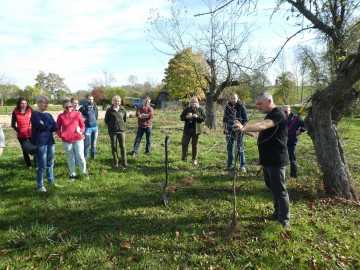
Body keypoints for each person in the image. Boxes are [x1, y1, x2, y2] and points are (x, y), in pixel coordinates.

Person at [233, 92, 290, 228]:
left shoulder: (278, 114)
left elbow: (263, 125)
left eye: (260, 104)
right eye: (257, 104)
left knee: (280, 190)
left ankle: (284, 219)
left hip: (277, 159)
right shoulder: (271, 114)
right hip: (268, 160)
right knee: (273, 187)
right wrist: (243, 129)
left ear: (269, 101)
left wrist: (244, 128)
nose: (257, 106)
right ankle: (277, 213)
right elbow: (262, 126)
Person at [30, 96, 58, 192]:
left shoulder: (49, 115)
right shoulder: (35, 115)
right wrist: (48, 125)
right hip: (40, 143)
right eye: (43, 102)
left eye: (47, 103)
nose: (45, 104)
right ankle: (40, 185)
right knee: (41, 165)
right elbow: (40, 126)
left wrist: (45, 125)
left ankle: (51, 181)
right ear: (38, 103)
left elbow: (56, 127)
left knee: (50, 163)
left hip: (50, 142)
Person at [56, 99, 89, 180]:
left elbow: (82, 125)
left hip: (78, 139)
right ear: (63, 107)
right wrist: (61, 135)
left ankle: (84, 172)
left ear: (72, 106)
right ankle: (73, 173)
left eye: (70, 106)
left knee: (80, 156)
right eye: (66, 107)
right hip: (66, 141)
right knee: (70, 157)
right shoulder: (60, 116)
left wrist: (81, 131)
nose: (69, 108)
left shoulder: (77, 114)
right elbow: (57, 128)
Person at [223, 93, 248, 172]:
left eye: (234, 98)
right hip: (229, 131)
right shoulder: (228, 107)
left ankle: (242, 165)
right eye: (231, 98)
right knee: (229, 148)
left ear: (237, 98)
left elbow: (246, 120)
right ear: (229, 99)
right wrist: (225, 129)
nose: (233, 100)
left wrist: (243, 128)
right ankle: (230, 164)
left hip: (239, 131)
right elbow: (224, 119)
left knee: (240, 148)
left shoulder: (241, 107)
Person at [11, 97, 36, 169]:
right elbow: (12, 124)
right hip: (21, 135)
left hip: (31, 133)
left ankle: (37, 166)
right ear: (19, 104)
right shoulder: (15, 112)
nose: (24, 105)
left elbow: (36, 119)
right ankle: (29, 166)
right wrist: (19, 131)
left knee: (35, 149)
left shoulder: (30, 109)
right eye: (22, 103)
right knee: (25, 150)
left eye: (25, 103)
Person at [180, 97, 206, 165]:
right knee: (184, 143)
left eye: (195, 102)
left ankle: (194, 159)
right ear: (190, 103)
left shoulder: (200, 109)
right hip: (187, 130)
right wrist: (186, 117)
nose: (193, 103)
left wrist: (197, 116)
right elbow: (181, 117)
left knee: (195, 145)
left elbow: (204, 118)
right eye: (192, 102)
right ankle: (184, 157)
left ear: (197, 103)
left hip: (196, 130)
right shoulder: (187, 109)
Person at [282, 105, 306, 178]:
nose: (284, 113)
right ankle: (281, 173)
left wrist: (300, 130)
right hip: (281, 141)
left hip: (291, 141)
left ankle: (293, 174)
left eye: (286, 111)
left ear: (290, 111)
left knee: (292, 158)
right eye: (282, 111)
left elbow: (304, 125)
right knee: (281, 158)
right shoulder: (279, 118)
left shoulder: (296, 118)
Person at [104, 95, 127, 168]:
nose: (117, 102)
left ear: (120, 102)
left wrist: (121, 125)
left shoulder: (123, 109)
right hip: (112, 131)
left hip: (121, 130)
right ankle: (116, 162)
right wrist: (111, 126)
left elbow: (124, 119)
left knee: (123, 146)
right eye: (115, 101)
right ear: (113, 101)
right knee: (114, 146)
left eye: (118, 101)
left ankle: (124, 162)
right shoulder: (109, 110)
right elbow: (106, 120)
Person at [79, 95, 99, 160]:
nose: (91, 100)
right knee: (86, 144)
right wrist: (85, 120)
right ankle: (85, 158)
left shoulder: (95, 107)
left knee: (94, 143)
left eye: (92, 99)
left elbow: (96, 117)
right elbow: (79, 118)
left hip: (95, 128)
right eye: (89, 99)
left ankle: (92, 157)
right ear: (86, 100)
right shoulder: (82, 108)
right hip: (87, 129)